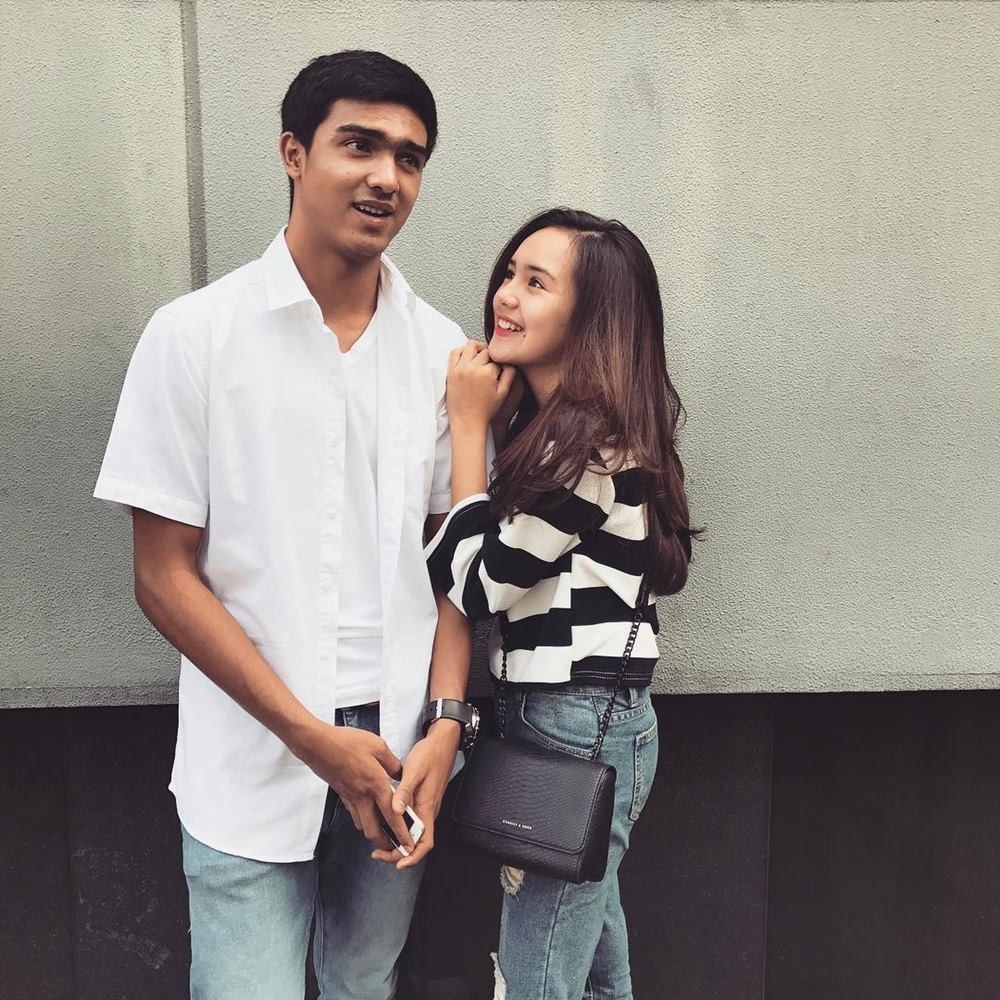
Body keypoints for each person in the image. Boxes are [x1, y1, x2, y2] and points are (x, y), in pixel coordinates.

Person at [94, 50, 483, 1000]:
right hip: (250, 750)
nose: (386, 177)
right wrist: (310, 737)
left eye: (410, 157)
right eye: (359, 145)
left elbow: (453, 570)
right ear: (293, 153)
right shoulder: (194, 336)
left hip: (401, 750)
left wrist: (445, 726)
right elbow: (162, 576)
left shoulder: (440, 352)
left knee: (363, 985)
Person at [425, 208, 697, 1000]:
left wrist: (467, 430)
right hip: (572, 721)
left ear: (591, 318)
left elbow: (477, 585)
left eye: (536, 283)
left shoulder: (586, 448)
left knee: (536, 978)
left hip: (574, 726)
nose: (506, 295)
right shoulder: (565, 434)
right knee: (597, 966)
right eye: (510, 273)